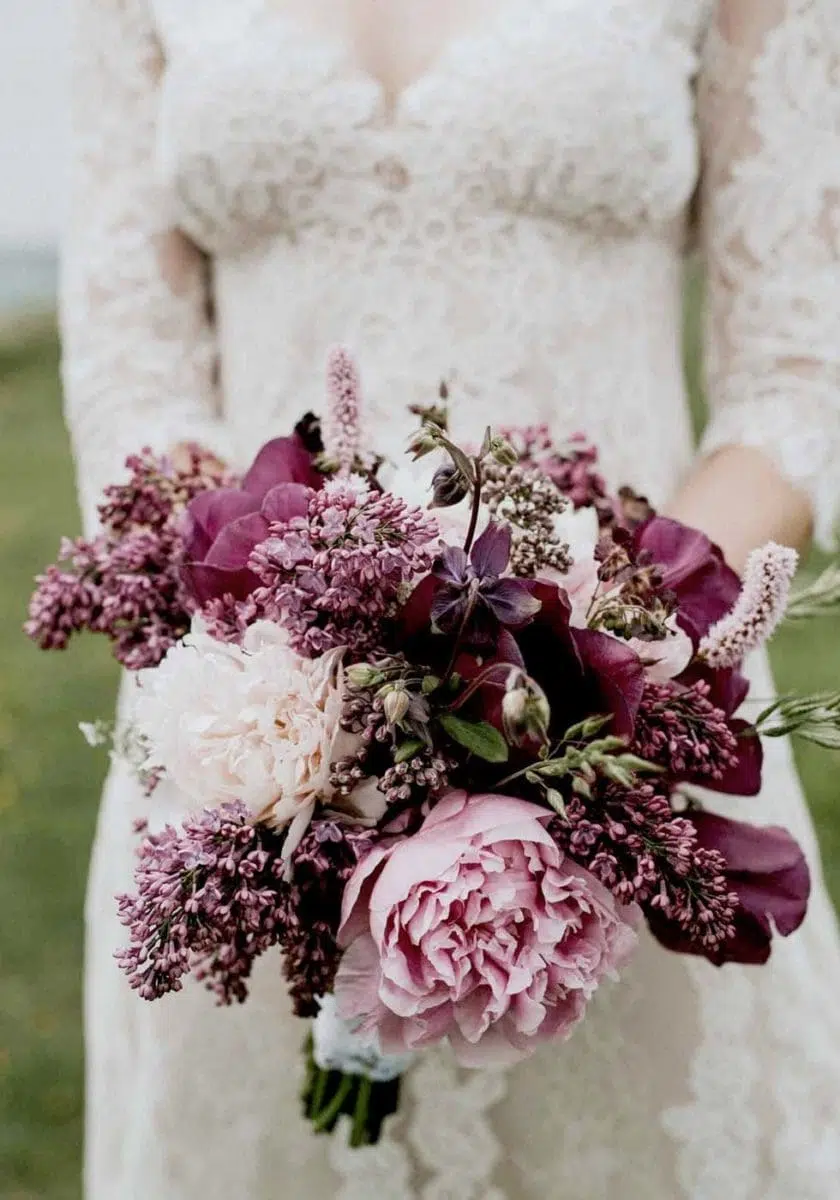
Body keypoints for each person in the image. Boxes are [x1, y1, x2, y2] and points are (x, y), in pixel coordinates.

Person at [63, 1, 840, 1196]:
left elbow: (795, 366)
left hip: (621, 762)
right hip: (254, 767)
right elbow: (133, 366)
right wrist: (310, 672)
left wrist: (607, 657)